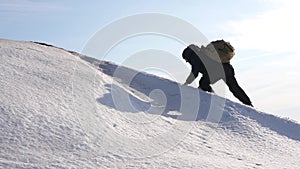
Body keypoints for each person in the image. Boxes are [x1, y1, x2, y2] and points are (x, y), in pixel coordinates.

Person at [182, 44, 253, 107]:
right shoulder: (201, 52)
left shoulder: (194, 56)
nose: (186, 61)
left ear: (187, 55)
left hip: (216, 71)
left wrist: (186, 83)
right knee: (235, 88)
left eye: (185, 59)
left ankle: (212, 97)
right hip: (227, 68)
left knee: (203, 83)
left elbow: (195, 71)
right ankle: (248, 103)